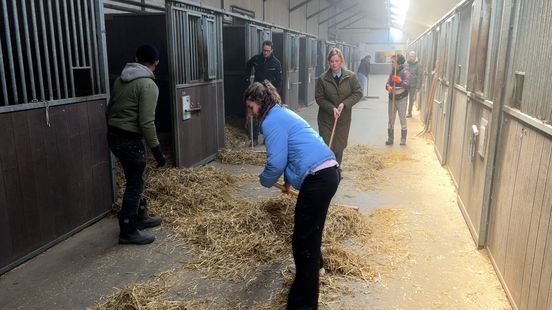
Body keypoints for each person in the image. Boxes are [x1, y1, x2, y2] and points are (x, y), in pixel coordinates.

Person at [244, 80, 340, 310]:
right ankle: (316, 267)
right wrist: (288, 181)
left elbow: (276, 162)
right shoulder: (282, 113)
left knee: (302, 241)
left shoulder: (271, 121)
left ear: (259, 102)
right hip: (328, 172)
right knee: (310, 234)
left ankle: (303, 305)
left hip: (317, 179)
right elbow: (291, 154)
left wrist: (265, 180)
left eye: (251, 107)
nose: (250, 113)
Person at [106, 44, 165, 245]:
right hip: (130, 139)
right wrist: (157, 150)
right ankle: (128, 229)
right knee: (134, 183)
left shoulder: (120, 80)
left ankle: (140, 216)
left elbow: (110, 108)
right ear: (155, 63)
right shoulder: (148, 86)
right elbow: (146, 122)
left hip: (114, 135)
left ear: (136, 58)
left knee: (137, 178)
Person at [315, 47, 362, 166]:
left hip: (343, 118)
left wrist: (344, 104)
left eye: (336, 61)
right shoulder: (323, 79)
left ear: (341, 61)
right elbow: (319, 98)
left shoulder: (351, 77)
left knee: (339, 145)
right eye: (331, 61)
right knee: (327, 144)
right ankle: (327, 169)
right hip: (326, 118)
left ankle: (336, 168)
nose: (334, 64)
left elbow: (358, 93)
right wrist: (332, 108)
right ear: (328, 62)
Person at [245, 40, 283, 146]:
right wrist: (247, 80)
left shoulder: (276, 63)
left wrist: (275, 94)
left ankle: (267, 138)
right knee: (255, 114)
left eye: (268, 51)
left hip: (269, 93)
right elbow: (248, 64)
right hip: (257, 91)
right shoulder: (257, 59)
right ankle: (254, 139)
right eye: (264, 50)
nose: (265, 52)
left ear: (271, 50)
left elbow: (280, 80)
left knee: (268, 116)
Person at [385, 54, 411, 146]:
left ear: (399, 62)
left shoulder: (405, 71)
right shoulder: (393, 71)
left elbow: (408, 85)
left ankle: (403, 139)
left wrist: (400, 81)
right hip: (392, 97)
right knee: (391, 119)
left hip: (401, 98)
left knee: (402, 118)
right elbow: (388, 82)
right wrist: (388, 86)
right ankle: (390, 138)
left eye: (393, 62)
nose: (392, 64)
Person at [406, 51, 422, 117]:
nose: (411, 58)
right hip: (406, 84)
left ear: (415, 56)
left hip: (413, 85)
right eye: (410, 56)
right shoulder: (406, 63)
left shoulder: (418, 65)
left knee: (411, 99)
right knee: (404, 99)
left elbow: (419, 76)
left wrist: (418, 87)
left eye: (412, 56)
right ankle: (403, 111)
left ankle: (409, 112)